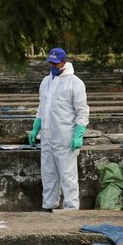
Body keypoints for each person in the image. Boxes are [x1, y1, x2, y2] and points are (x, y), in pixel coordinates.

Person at [27, 48, 89, 211]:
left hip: (65, 136)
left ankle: (71, 208)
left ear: (64, 62)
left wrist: (79, 133)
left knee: (68, 176)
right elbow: (42, 107)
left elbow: (82, 110)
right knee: (48, 174)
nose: (52, 66)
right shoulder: (46, 81)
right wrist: (36, 128)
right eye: (50, 63)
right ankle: (48, 205)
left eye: (55, 63)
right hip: (47, 136)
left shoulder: (75, 83)